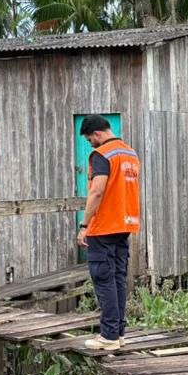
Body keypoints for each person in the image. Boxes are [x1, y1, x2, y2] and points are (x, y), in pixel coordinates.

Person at [77, 116, 141, 350]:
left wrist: (84, 225)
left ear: (96, 134)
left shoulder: (102, 154)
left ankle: (109, 336)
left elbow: (97, 191)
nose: (90, 144)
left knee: (103, 279)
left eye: (89, 140)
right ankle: (118, 332)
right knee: (117, 279)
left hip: (104, 226)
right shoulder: (130, 153)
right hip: (125, 224)